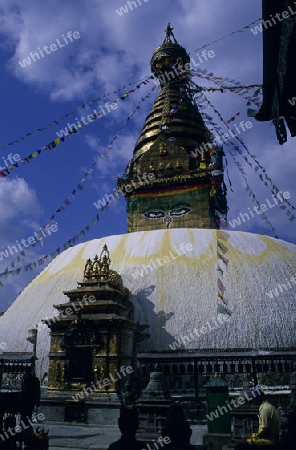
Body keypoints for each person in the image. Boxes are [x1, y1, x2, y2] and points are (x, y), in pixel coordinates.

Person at [20, 366, 41, 431]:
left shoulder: (24, 379)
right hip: (31, 400)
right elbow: (38, 391)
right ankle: (27, 427)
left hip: (24, 400)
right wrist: (38, 400)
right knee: (29, 414)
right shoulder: (35, 379)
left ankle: (23, 427)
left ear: (25, 371)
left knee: (23, 415)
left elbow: (23, 389)